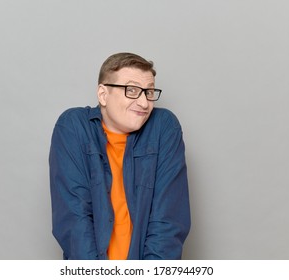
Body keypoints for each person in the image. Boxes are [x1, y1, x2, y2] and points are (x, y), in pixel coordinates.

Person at [49, 52, 191, 260]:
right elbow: (74, 219)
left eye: (149, 92)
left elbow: (168, 220)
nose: (143, 103)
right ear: (103, 95)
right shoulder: (73, 127)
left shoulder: (164, 127)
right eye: (132, 90)